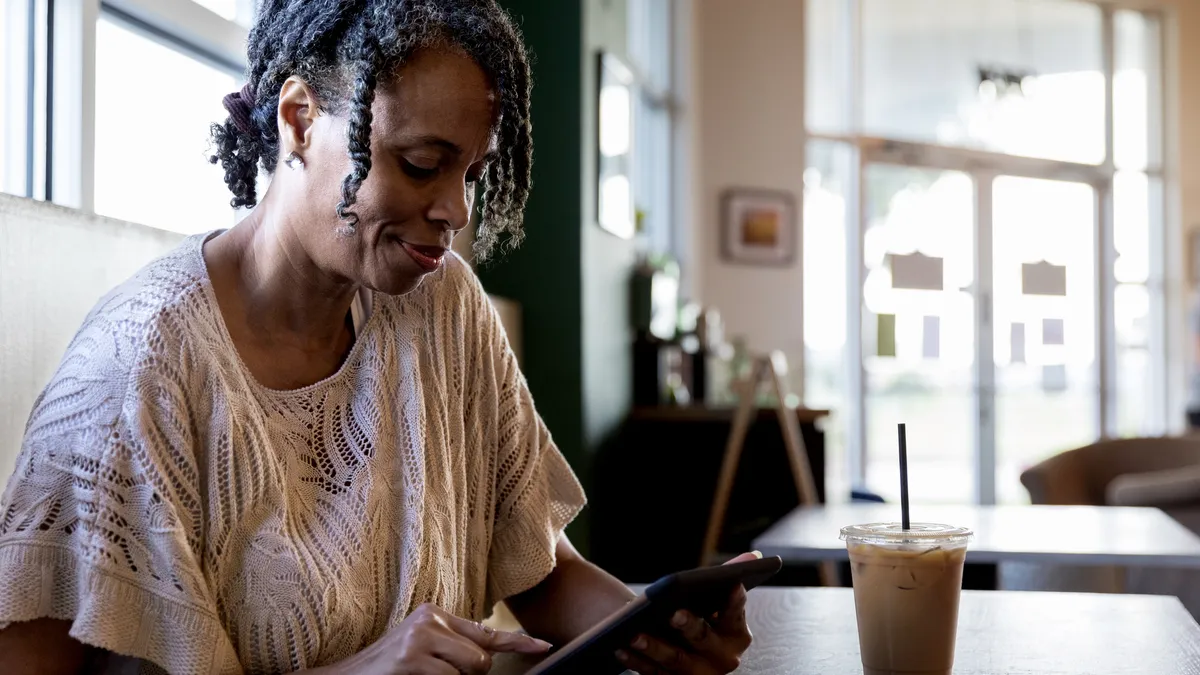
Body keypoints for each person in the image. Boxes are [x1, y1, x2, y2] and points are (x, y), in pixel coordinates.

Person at [0, 1, 756, 674]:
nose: (455, 209)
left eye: (471, 172)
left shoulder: (443, 305)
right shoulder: (140, 367)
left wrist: (658, 633)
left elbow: (539, 569)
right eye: (421, 163)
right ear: (298, 120)